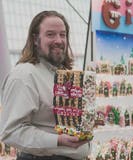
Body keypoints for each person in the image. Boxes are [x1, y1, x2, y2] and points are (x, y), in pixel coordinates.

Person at [0, 11, 90, 160]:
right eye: (50, 34)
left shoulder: (63, 74)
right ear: (35, 39)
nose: (59, 40)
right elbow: (11, 132)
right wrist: (58, 140)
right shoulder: (24, 75)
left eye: (63, 34)